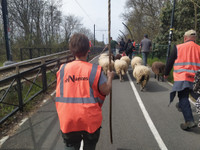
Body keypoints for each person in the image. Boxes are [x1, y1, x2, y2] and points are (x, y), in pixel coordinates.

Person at [55, 33, 114, 149]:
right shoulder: (94, 70)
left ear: (71, 50)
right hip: (90, 120)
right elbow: (106, 90)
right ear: (88, 50)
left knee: (71, 146)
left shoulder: (62, 69)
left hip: (68, 119)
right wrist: (110, 77)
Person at [164, 29, 200, 131]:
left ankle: (189, 120)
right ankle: (181, 106)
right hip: (196, 79)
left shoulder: (178, 47)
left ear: (185, 38)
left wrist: (166, 74)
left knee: (183, 96)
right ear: (194, 38)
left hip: (183, 77)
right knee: (197, 96)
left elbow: (170, 61)